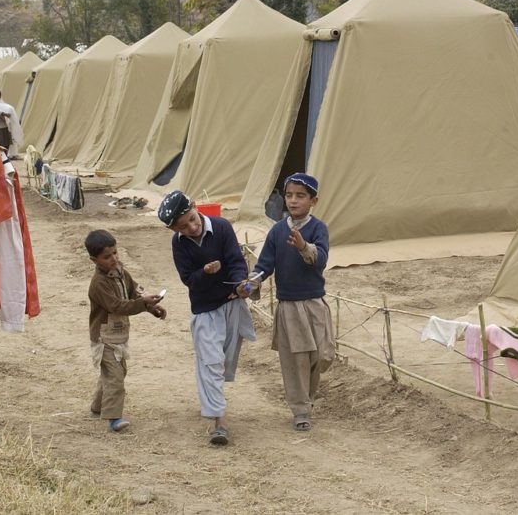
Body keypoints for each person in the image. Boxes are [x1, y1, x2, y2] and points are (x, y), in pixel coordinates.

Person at [158, 190, 255, 445]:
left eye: (192, 218)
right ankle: (218, 421)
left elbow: (235, 261)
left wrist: (240, 283)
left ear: (195, 207)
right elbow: (189, 280)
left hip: (231, 304)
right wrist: (205, 271)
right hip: (205, 310)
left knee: (223, 361)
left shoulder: (222, 227)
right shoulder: (179, 244)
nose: (192, 227)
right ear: (174, 230)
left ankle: (212, 399)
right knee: (210, 362)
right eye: (183, 226)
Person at [241, 172, 333, 433]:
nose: (293, 201)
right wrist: (251, 284)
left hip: (314, 304)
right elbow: (264, 265)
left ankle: (308, 398)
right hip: (289, 306)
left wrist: (304, 246)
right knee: (296, 360)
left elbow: (321, 259)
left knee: (320, 356)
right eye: (289, 195)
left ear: (313, 201)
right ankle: (300, 409)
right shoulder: (278, 230)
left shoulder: (318, 229)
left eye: (300, 196)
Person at [85, 229, 166, 433]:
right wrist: (142, 304)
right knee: (115, 377)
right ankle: (114, 417)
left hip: (119, 333)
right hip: (104, 336)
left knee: (116, 373)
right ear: (94, 260)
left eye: (115, 253)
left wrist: (152, 307)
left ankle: (97, 406)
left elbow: (134, 291)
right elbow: (118, 306)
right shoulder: (99, 283)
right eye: (107, 256)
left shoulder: (120, 271)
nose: (113, 258)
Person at [0, 88, 24, 159]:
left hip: (5, 127)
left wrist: (6, 114)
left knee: (7, 143)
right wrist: (3, 113)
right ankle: (0, 158)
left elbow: (9, 113)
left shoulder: (2, 104)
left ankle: (5, 157)